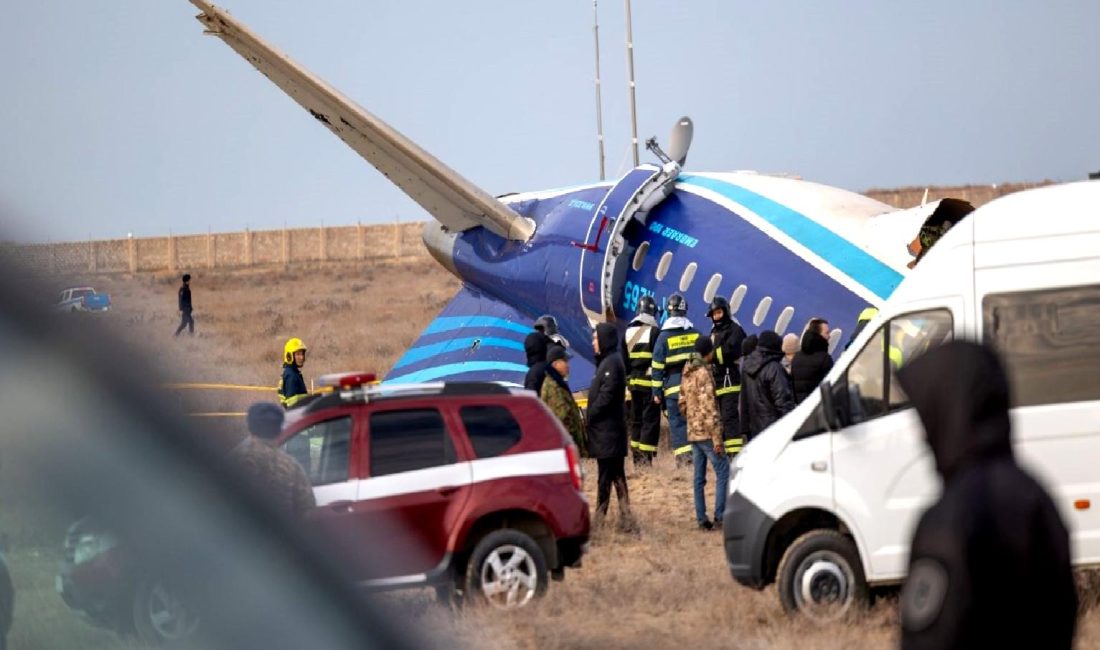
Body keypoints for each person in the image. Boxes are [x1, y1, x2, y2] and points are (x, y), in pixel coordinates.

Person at [896, 341, 1076, 650]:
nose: (921, 433)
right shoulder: (1037, 497)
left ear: (949, 411)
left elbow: (930, 636)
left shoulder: (948, 518)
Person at [228, 402, 316, 518]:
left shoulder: (235, 460)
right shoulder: (292, 466)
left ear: (250, 427)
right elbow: (307, 510)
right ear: (279, 431)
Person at [678, 336, 729, 531]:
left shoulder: (687, 371)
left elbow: (681, 401)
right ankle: (720, 516)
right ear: (708, 353)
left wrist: (691, 417)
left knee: (698, 477)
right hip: (707, 433)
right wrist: (716, 437)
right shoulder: (703, 374)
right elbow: (709, 408)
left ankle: (701, 519)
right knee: (723, 470)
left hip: (693, 432)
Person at [587, 322, 632, 528]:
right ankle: (626, 518)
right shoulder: (606, 361)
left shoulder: (613, 363)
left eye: (596, 338)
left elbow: (607, 395)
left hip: (609, 434)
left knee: (605, 479)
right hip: (606, 435)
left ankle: (600, 520)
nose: (593, 342)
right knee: (615, 477)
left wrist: (592, 413)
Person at [651, 294, 701, 466]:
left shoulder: (663, 337)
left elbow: (657, 367)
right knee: (694, 422)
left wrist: (657, 393)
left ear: (669, 312)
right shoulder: (695, 334)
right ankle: (698, 458)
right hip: (694, 387)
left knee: (678, 424)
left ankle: (684, 460)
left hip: (673, 389)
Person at [623, 296, 661, 465]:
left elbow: (624, 361)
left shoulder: (627, 332)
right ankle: (645, 460)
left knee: (636, 420)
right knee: (649, 421)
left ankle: (636, 458)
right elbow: (658, 359)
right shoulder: (654, 332)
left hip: (633, 385)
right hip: (649, 384)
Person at [707, 297, 747, 457]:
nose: (716, 316)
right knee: (720, 419)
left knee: (730, 418)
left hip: (729, 380)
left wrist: (711, 356)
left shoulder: (735, 330)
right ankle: (724, 452)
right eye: (714, 314)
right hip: (717, 379)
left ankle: (735, 455)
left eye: (719, 312)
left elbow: (731, 351)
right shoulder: (714, 331)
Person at [739, 330, 795, 440]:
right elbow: (784, 401)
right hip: (775, 429)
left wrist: (745, 429)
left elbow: (744, 401)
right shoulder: (774, 368)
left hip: (755, 430)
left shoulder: (746, 367)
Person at [539, 346, 586, 453]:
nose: (568, 365)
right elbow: (562, 419)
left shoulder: (558, 382)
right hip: (565, 449)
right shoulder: (554, 386)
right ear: (555, 364)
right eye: (564, 361)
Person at [790, 318, 834, 404]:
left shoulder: (797, 357)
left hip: (800, 408)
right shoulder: (825, 359)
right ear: (818, 335)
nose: (829, 336)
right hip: (817, 408)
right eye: (827, 333)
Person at [278, 338, 309, 409]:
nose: (301, 357)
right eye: (298, 354)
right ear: (289, 356)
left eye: (302, 354)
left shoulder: (290, 372)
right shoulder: (291, 376)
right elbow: (292, 405)